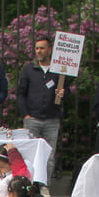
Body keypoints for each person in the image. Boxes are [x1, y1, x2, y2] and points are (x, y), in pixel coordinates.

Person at [17, 36, 64, 180]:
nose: (39, 51)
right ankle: (30, 185)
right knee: (31, 155)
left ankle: (44, 185)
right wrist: (25, 115)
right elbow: (21, 93)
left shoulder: (59, 70)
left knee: (49, 156)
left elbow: (63, 92)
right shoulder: (28, 69)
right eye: (37, 48)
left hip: (52, 120)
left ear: (49, 50)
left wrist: (63, 93)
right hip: (32, 120)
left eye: (42, 48)